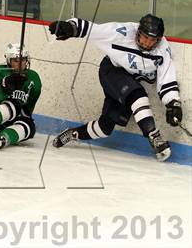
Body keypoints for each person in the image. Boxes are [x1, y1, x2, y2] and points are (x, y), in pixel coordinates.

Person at [48, 14, 183, 161]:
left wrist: (173, 103)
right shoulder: (122, 33)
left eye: (153, 40)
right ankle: (154, 137)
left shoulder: (163, 49)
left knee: (105, 128)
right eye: (145, 37)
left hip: (129, 81)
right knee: (138, 96)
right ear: (138, 31)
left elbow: (167, 77)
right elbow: (94, 30)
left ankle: (73, 134)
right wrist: (71, 27)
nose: (147, 43)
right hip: (111, 71)